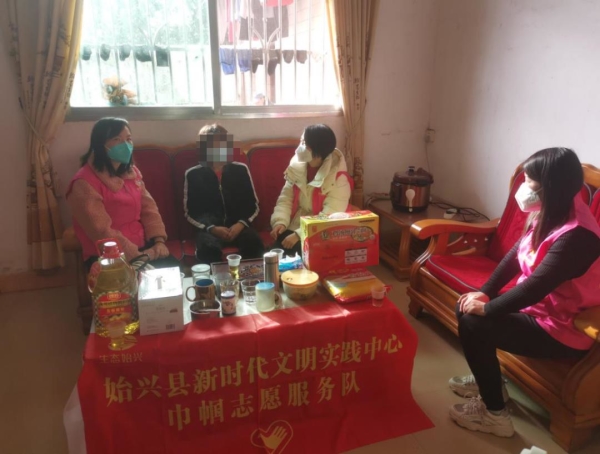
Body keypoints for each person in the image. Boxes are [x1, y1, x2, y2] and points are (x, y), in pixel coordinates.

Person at [448, 148, 600, 438]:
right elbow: (518, 254)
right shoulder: (551, 213)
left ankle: (495, 415)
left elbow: (536, 287)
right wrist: (485, 293)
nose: (523, 188)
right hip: (541, 310)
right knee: (466, 305)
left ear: (550, 188)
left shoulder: (577, 236)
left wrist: (487, 308)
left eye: (529, 182)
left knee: (473, 323)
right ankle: (491, 383)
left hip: (564, 328)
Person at [67, 117, 177, 270]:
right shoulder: (83, 183)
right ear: (100, 143)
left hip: (145, 248)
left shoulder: (132, 172)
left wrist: (158, 241)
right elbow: (101, 231)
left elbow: (149, 209)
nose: (125, 144)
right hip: (109, 256)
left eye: (128, 139)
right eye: (117, 139)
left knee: (175, 274)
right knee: (145, 282)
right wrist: (138, 256)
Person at [184, 124, 265, 264]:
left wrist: (241, 224)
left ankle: (253, 277)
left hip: (239, 227)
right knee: (207, 249)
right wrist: (212, 228)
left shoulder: (240, 170)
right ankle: (215, 278)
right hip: (210, 229)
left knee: (253, 242)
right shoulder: (192, 174)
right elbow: (190, 211)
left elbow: (253, 204)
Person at [270, 124, 353, 257]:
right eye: (301, 142)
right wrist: (280, 222)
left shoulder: (338, 177)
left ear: (318, 151)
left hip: (324, 230)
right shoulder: (296, 168)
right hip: (298, 224)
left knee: (298, 256)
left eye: (305, 144)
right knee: (274, 254)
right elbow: (285, 200)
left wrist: (299, 234)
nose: (300, 147)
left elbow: (329, 216)